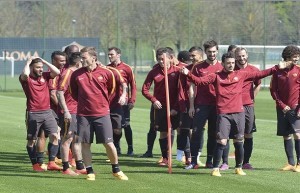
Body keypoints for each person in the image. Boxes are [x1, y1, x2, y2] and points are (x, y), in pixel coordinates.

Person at [181, 51, 281, 176]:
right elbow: (200, 81)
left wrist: (276, 68)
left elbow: (260, 74)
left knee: (239, 141)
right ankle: (216, 168)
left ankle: (239, 167)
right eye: (228, 63)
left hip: (239, 113)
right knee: (222, 141)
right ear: (223, 64)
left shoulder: (241, 74)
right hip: (223, 114)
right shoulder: (216, 76)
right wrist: (188, 74)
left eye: (233, 63)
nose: (231, 65)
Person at [70, 47, 128, 181]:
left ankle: (116, 170)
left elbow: (112, 89)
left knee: (109, 143)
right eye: (81, 58)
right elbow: (74, 92)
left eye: (84, 58)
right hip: (83, 115)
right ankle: (90, 171)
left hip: (102, 113)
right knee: (85, 143)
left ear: (93, 58)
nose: (82, 60)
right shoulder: (76, 74)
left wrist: (102, 103)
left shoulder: (107, 72)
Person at [220, 47, 261, 171]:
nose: (241, 58)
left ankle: (245, 162)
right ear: (235, 57)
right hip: (232, 106)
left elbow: (258, 83)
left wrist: (252, 98)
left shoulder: (253, 70)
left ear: (247, 55)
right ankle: (225, 162)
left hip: (248, 106)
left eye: (243, 55)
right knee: (227, 135)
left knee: (248, 134)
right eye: (239, 56)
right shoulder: (231, 69)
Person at [185, 41, 223, 170]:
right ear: (205, 52)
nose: (212, 54)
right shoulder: (198, 67)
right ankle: (193, 161)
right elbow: (191, 86)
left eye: (214, 51)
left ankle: (209, 161)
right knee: (196, 132)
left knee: (213, 134)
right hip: (201, 104)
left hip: (217, 106)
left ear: (217, 51)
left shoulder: (222, 67)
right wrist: (191, 105)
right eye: (209, 52)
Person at [20, 57, 61, 172]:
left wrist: (44, 62)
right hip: (33, 113)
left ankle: (51, 162)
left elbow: (57, 72)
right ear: (31, 68)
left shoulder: (46, 76)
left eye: (41, 67)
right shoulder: (26, 79)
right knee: (31, 140)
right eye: (38, 67)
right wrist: (28, 62)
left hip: (47, 112)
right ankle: (35, 165)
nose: (41, 69)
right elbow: (24, 75)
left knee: (55, 135)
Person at [142, 48, 181, 166]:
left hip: (175, 107)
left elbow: (182, 91)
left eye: (163, 59)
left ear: (170, 58)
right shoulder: (154, 72)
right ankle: (165, 158)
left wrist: (176, 107)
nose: (161, 62)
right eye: (159, 59)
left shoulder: (177, 71)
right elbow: (145, 89)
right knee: (163, 132)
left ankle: (185, 156)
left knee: (181, 131)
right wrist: (154, 100)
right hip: (160, 108)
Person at [270, 45, 300, 172]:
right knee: (286, 135)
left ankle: (299, 163)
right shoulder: (277, 72)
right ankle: (290, 163)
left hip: (295, 108)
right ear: (287, 58)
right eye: (294, 57)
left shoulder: (299, 71)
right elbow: (273, 90)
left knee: (298, 135)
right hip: (282, 108)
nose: (297, 59)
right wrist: (281, 105)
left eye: (298, 57)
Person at [57, 52, 86, 176]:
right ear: (79, 61)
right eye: (83, 60)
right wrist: (66, 111)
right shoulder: (68, 73)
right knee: (67, 139)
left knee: (77, 139)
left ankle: (80, 166)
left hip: (78, 111)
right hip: (70, 111)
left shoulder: (78, 73)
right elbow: (59, 93)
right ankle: (65, 168)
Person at [107, 47, 137, 156]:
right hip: (110, 103)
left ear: (118, 55)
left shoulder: (127, 68)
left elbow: (133, 86)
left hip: (123, 103)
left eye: (112, 54)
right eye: (109, 55)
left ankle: (130, 148)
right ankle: (116, 147)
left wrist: (132, 100)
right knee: (114, 127)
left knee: (127, 125)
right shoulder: (107, 68)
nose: (110, 56)